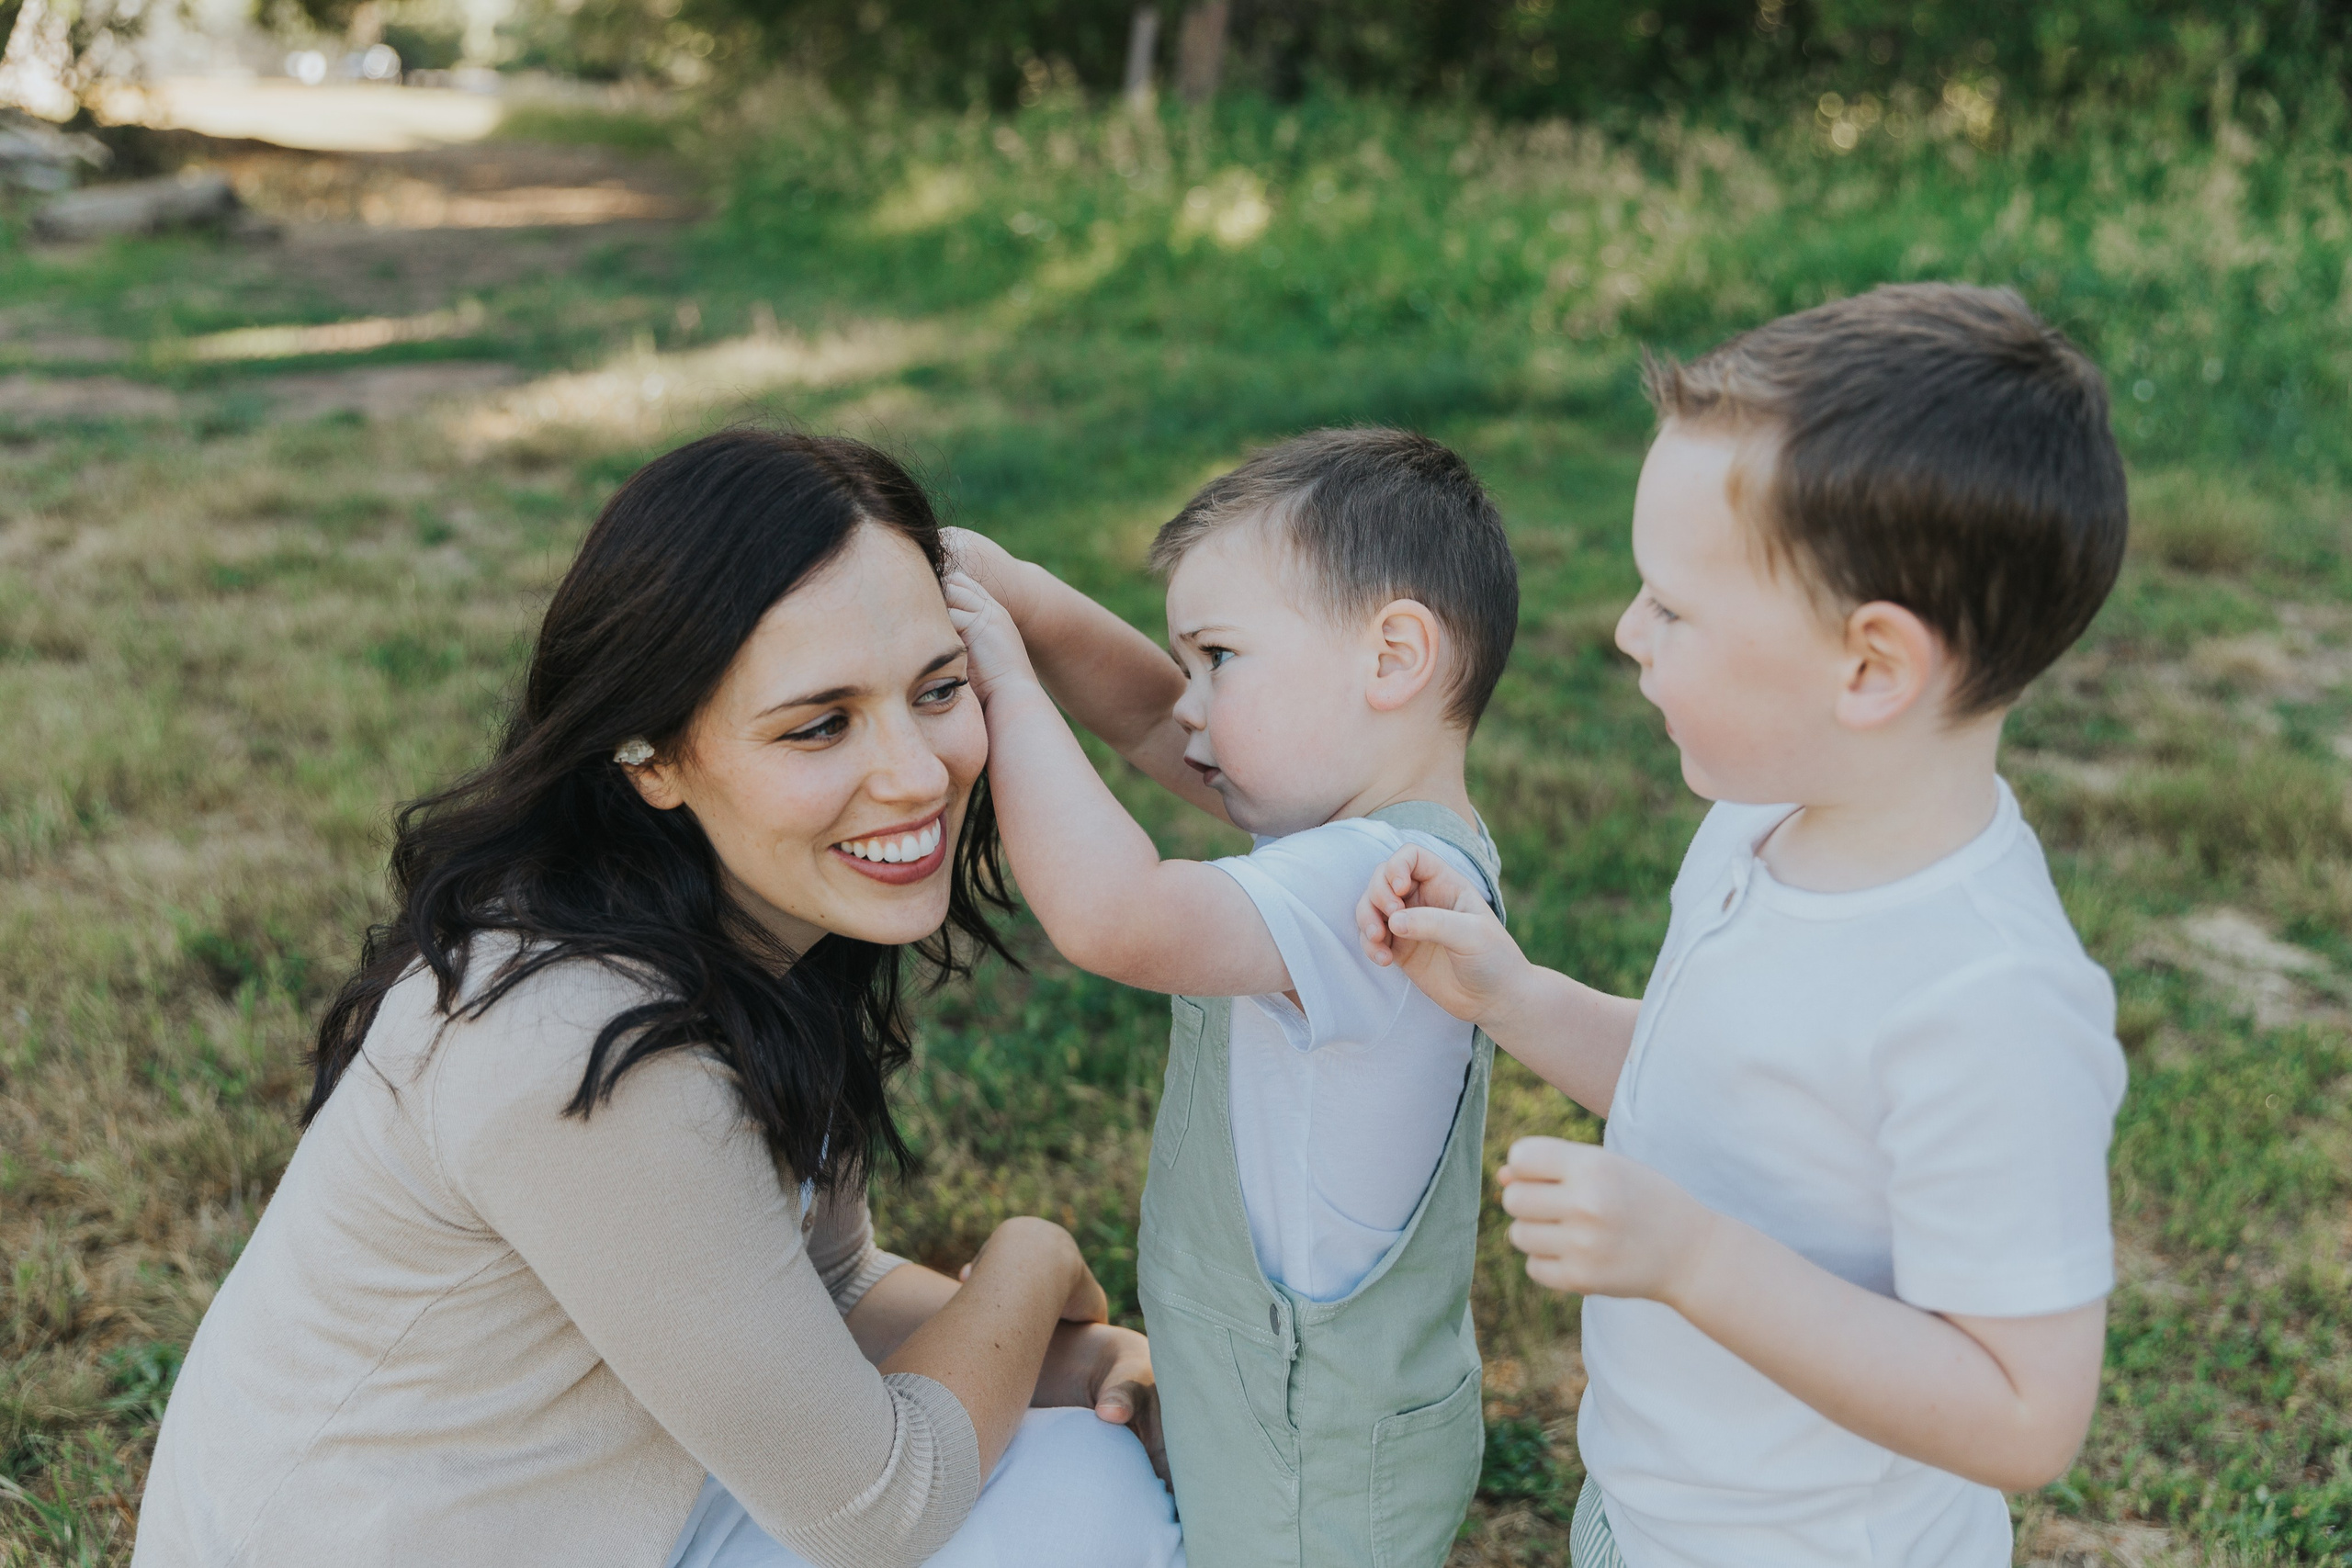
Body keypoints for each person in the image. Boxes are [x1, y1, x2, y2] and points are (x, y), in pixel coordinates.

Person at [132, 430, 1184, 1568]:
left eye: (937, 689)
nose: (918, 773)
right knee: (1095, 1507)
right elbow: (880, 1512)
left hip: (582, 1514)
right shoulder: (582, 1048)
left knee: (1084, 1468)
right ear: (650, 758)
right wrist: (1031, 1261)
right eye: (820, 724)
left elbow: (822, 1278)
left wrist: (1083, 1361)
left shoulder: (739, 923)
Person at [1358, 283, 2131, 1568]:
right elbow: (1717, 1097)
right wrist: (1515, 995)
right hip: (1654, 1509)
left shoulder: (1984, 998)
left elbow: (2023, 1414)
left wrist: (1693, 1259)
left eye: (1673, 606)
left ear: (1870, 668)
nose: (1626, 629)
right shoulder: (1760, 822)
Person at [944, 427, 1521, 1568]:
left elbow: (1115, 917)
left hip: (1315, 1456)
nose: (1188, 705)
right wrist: (1018, 591)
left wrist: (1005, 678)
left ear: (1392, 658)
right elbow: (1145, 718)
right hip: (1288, 1405)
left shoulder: (1370, 888)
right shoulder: (1358, 831)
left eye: (1218, 657)